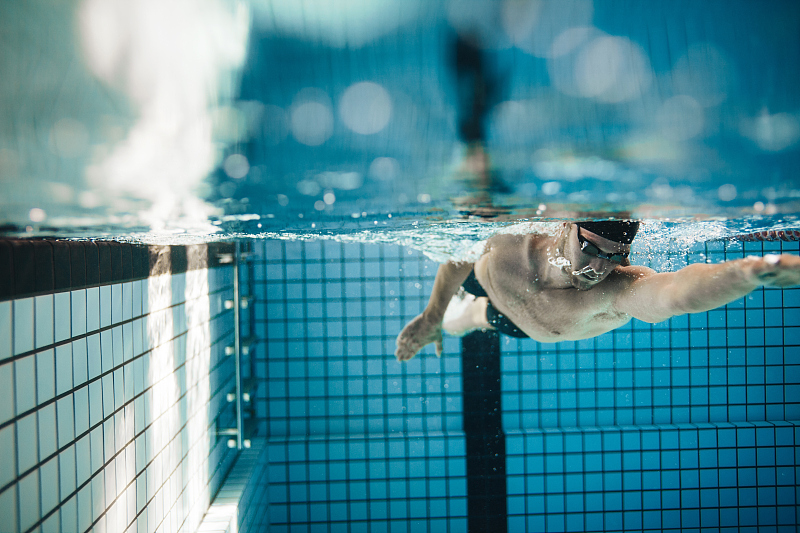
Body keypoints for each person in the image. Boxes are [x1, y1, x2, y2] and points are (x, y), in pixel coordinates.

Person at [394, 220, 800, 361]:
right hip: (491, 281)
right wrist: (429, 315)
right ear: (566, 227)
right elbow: (458, 258)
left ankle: (461, 317)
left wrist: (747, 274)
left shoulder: (616, 288)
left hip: (515, 321)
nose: (598, 268)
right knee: (465, 283)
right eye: (589, 248)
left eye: (615, 255)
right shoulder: (510, 239)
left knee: (466, 318)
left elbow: (675, 293)